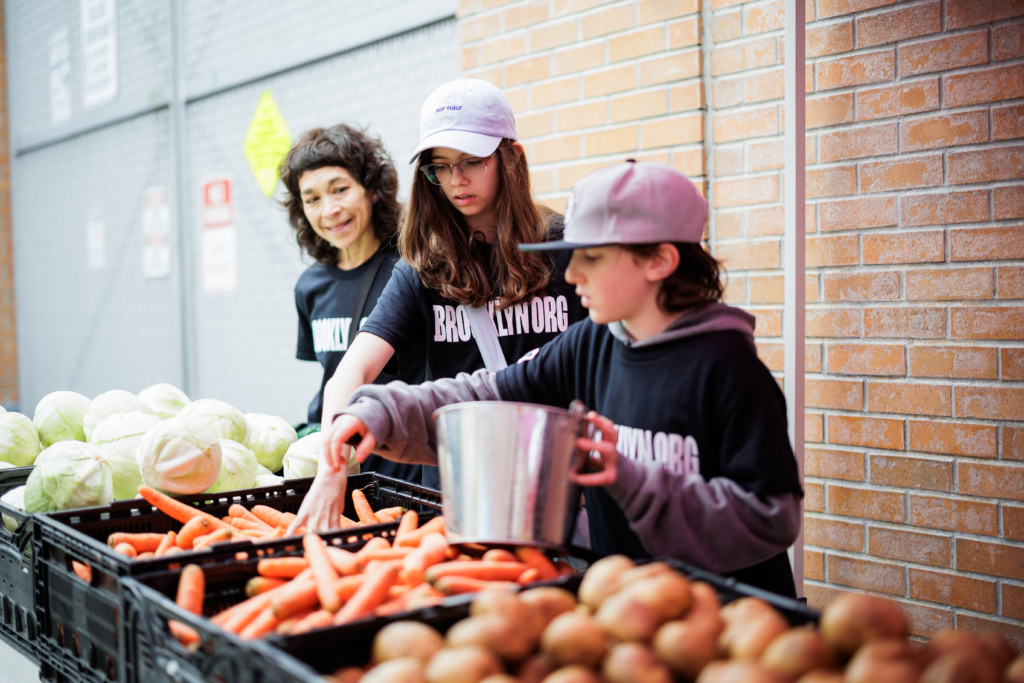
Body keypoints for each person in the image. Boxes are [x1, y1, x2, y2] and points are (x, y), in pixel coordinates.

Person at [324, 160, 804, 597]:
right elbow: (486, 395)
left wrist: (634, 481)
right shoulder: (590, 344)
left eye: (591, 257)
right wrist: (378, 413)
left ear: (659, 260)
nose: (570, 275)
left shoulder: (730, 369)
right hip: (621, 618)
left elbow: (771, 518)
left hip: (724, 628)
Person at [290, 78, 587, 531]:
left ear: (512, 156)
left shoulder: (567, 248)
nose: (456, 181)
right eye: (440, 167)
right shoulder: (424, 267)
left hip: (559, 486)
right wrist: (332, 466)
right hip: (454, 496)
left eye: (472, 161)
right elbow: (351, 372)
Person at [280, 123, 426, 484]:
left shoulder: (411, 269)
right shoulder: (310, 286)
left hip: (404, 473)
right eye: (312, 198)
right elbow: (330, 375)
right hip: (339, 468)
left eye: (340, 190)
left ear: (372, 190)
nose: (329, 209)